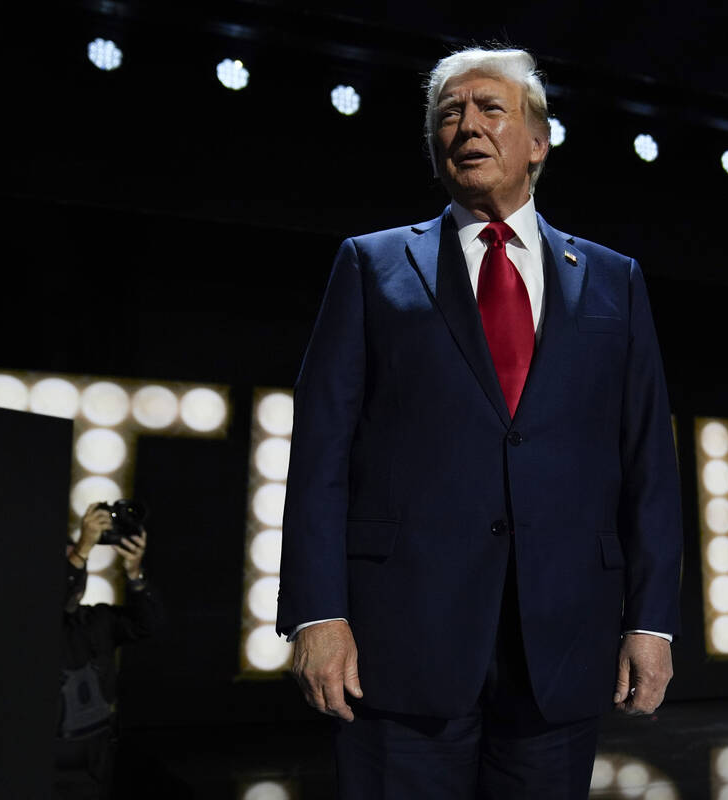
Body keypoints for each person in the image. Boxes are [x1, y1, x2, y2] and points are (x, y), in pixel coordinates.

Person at [277, 46, 683, 799]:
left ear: (539, 141)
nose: (467, 125)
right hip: (398, 642)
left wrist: (652, 622)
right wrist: (317, 613)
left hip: (560, 642)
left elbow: (647, 462)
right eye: (449, 113)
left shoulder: (612, 279)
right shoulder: (370, 265)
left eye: (490, 108)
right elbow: (320, 453)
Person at [54, 502, 163, 799]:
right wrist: (81, 548)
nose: (76, 566)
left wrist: (135, 574)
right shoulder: (32, 624)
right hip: (50, 764)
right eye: (67, 561)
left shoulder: (96, 620)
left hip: (96, 762)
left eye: (77, 561)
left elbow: (147, 624)